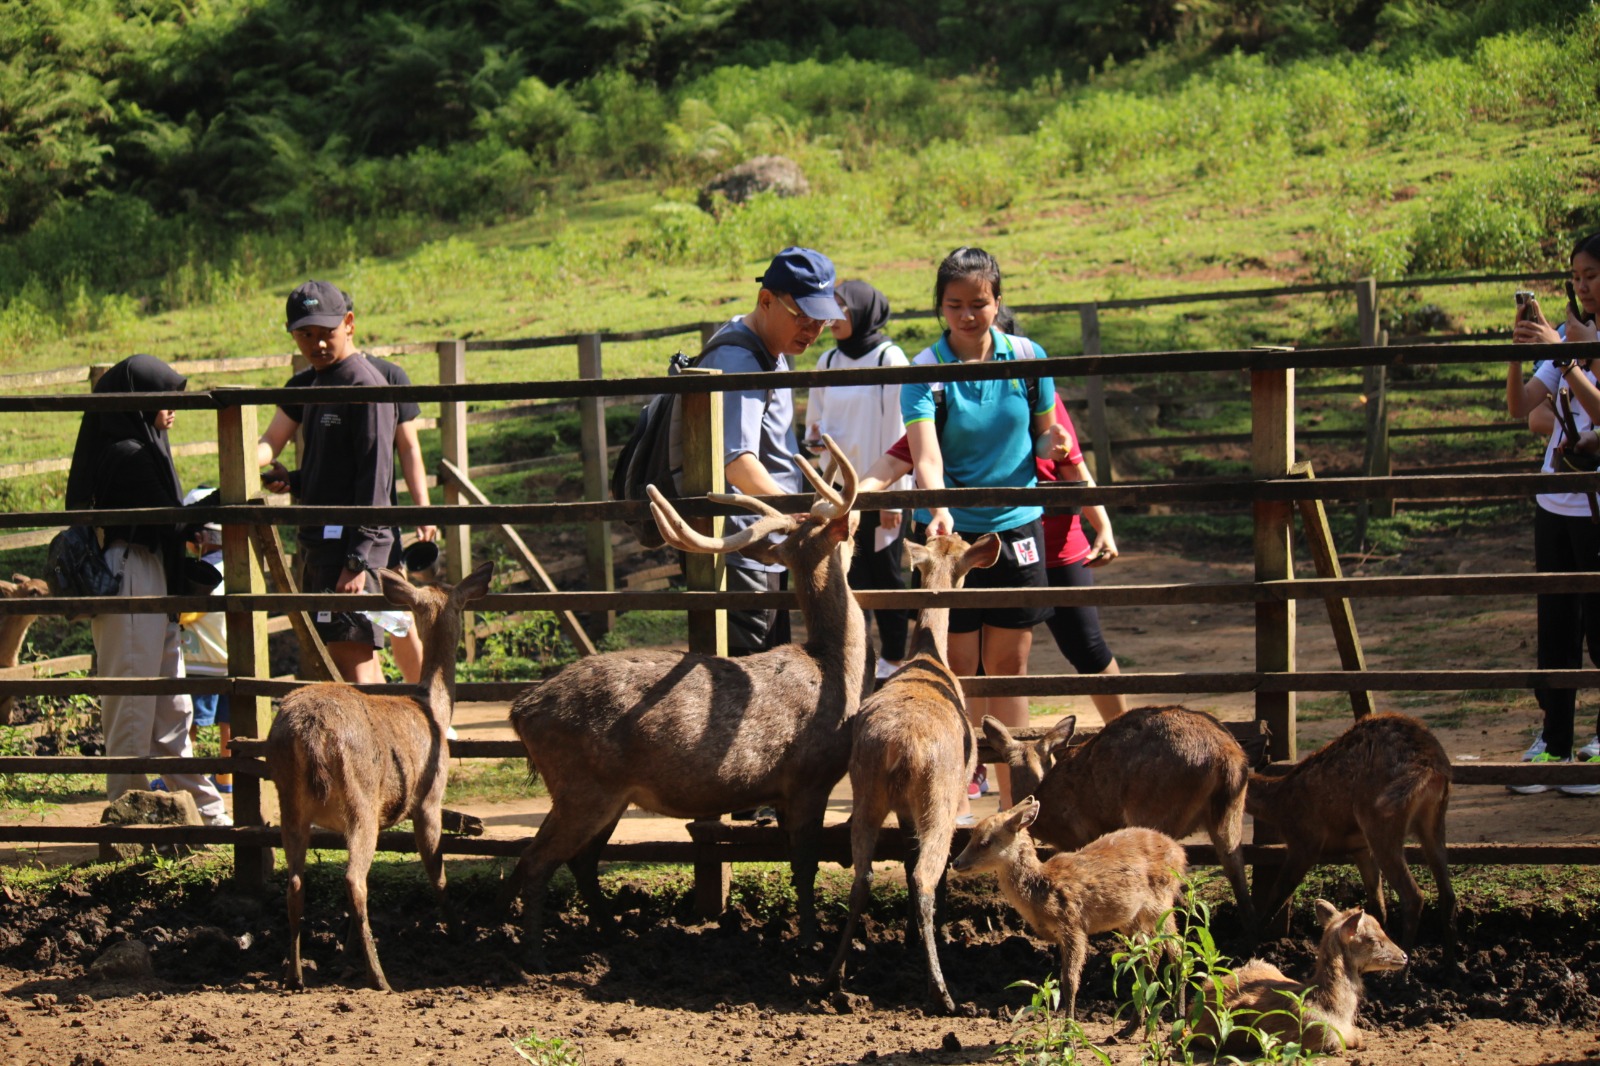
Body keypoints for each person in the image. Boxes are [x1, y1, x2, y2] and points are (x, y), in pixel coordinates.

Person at [900, 246, 1066, 815]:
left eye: (980, 303)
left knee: (1010, 666)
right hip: (956, 537)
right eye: (955, 305)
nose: (968, 315)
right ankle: (963, 779)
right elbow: (925, 456)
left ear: (998, 300)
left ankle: (1016, 789)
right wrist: (938, 507)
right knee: (959, 665)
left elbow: (1043, 437)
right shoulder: (926, 371)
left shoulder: (1027, 357)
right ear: (940, 307)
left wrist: (1056, 445)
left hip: (1018, 528)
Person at [64, 354, 231, 826]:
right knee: (133, 704)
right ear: (139, 401)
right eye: (164, 398)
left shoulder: (146, 445)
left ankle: (207, 813)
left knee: (170, 706)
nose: (172, 408)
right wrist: (230, 495)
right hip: (131, 574)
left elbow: (169, 521)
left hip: (150, 570)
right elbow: (171, 518)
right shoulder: (129, 453)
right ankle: (126, 817)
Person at [258, 285, 437, 684]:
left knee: (359, 664)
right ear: (292, 334)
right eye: (305, 334)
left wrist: (357, 559)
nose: (317, 342)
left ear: (349, 324)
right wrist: (298, 479)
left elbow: (376, 475)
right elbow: (341, 468)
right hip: (330, 544)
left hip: (352, 551)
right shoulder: (320, 382)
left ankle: (416, 730)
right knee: (355, 658)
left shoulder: (365, 386)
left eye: (326, 331)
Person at [695, 247, 847, 656]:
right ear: (766, 301)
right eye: (803, 317)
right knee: (750, 680)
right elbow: (737, 462)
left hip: (766, 542)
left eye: (822, 320)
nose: (813, 331)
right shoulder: (740, 360)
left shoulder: (770, 351)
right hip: (748, 547)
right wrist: (793, 517)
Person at [1507, 230, 1600, 794]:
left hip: (1597, 506)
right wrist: (1521, 352)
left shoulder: (1575, 342)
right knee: (1556, 623)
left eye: (1592, 274)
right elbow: (1521, 406)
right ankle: (1556, 738)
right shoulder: (1565, 333)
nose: (1582, 285)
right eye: (1577, 275)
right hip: (1554, 497)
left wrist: (1567, 358)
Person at [807, 279, 913, 680]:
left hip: (879, 489)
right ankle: (858, 655)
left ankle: (894, 658)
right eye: (830, 309)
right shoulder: (829, 361)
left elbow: (900, 431)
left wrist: (893, 498)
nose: (833, 318)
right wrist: (816, 441)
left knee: (884, 574)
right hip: (837, 491)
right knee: (845, 573)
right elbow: (816, 415)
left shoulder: (889, 359)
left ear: (863, 311)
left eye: (842, 309)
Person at [177, 489, 232, 794]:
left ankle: (187, 777)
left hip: (200, 662)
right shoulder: (234, 567)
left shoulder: (205, 571)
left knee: (190, 723)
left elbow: (188, 613)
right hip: (228, 658)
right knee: (228, 722)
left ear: (200, 538)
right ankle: (227, 777)